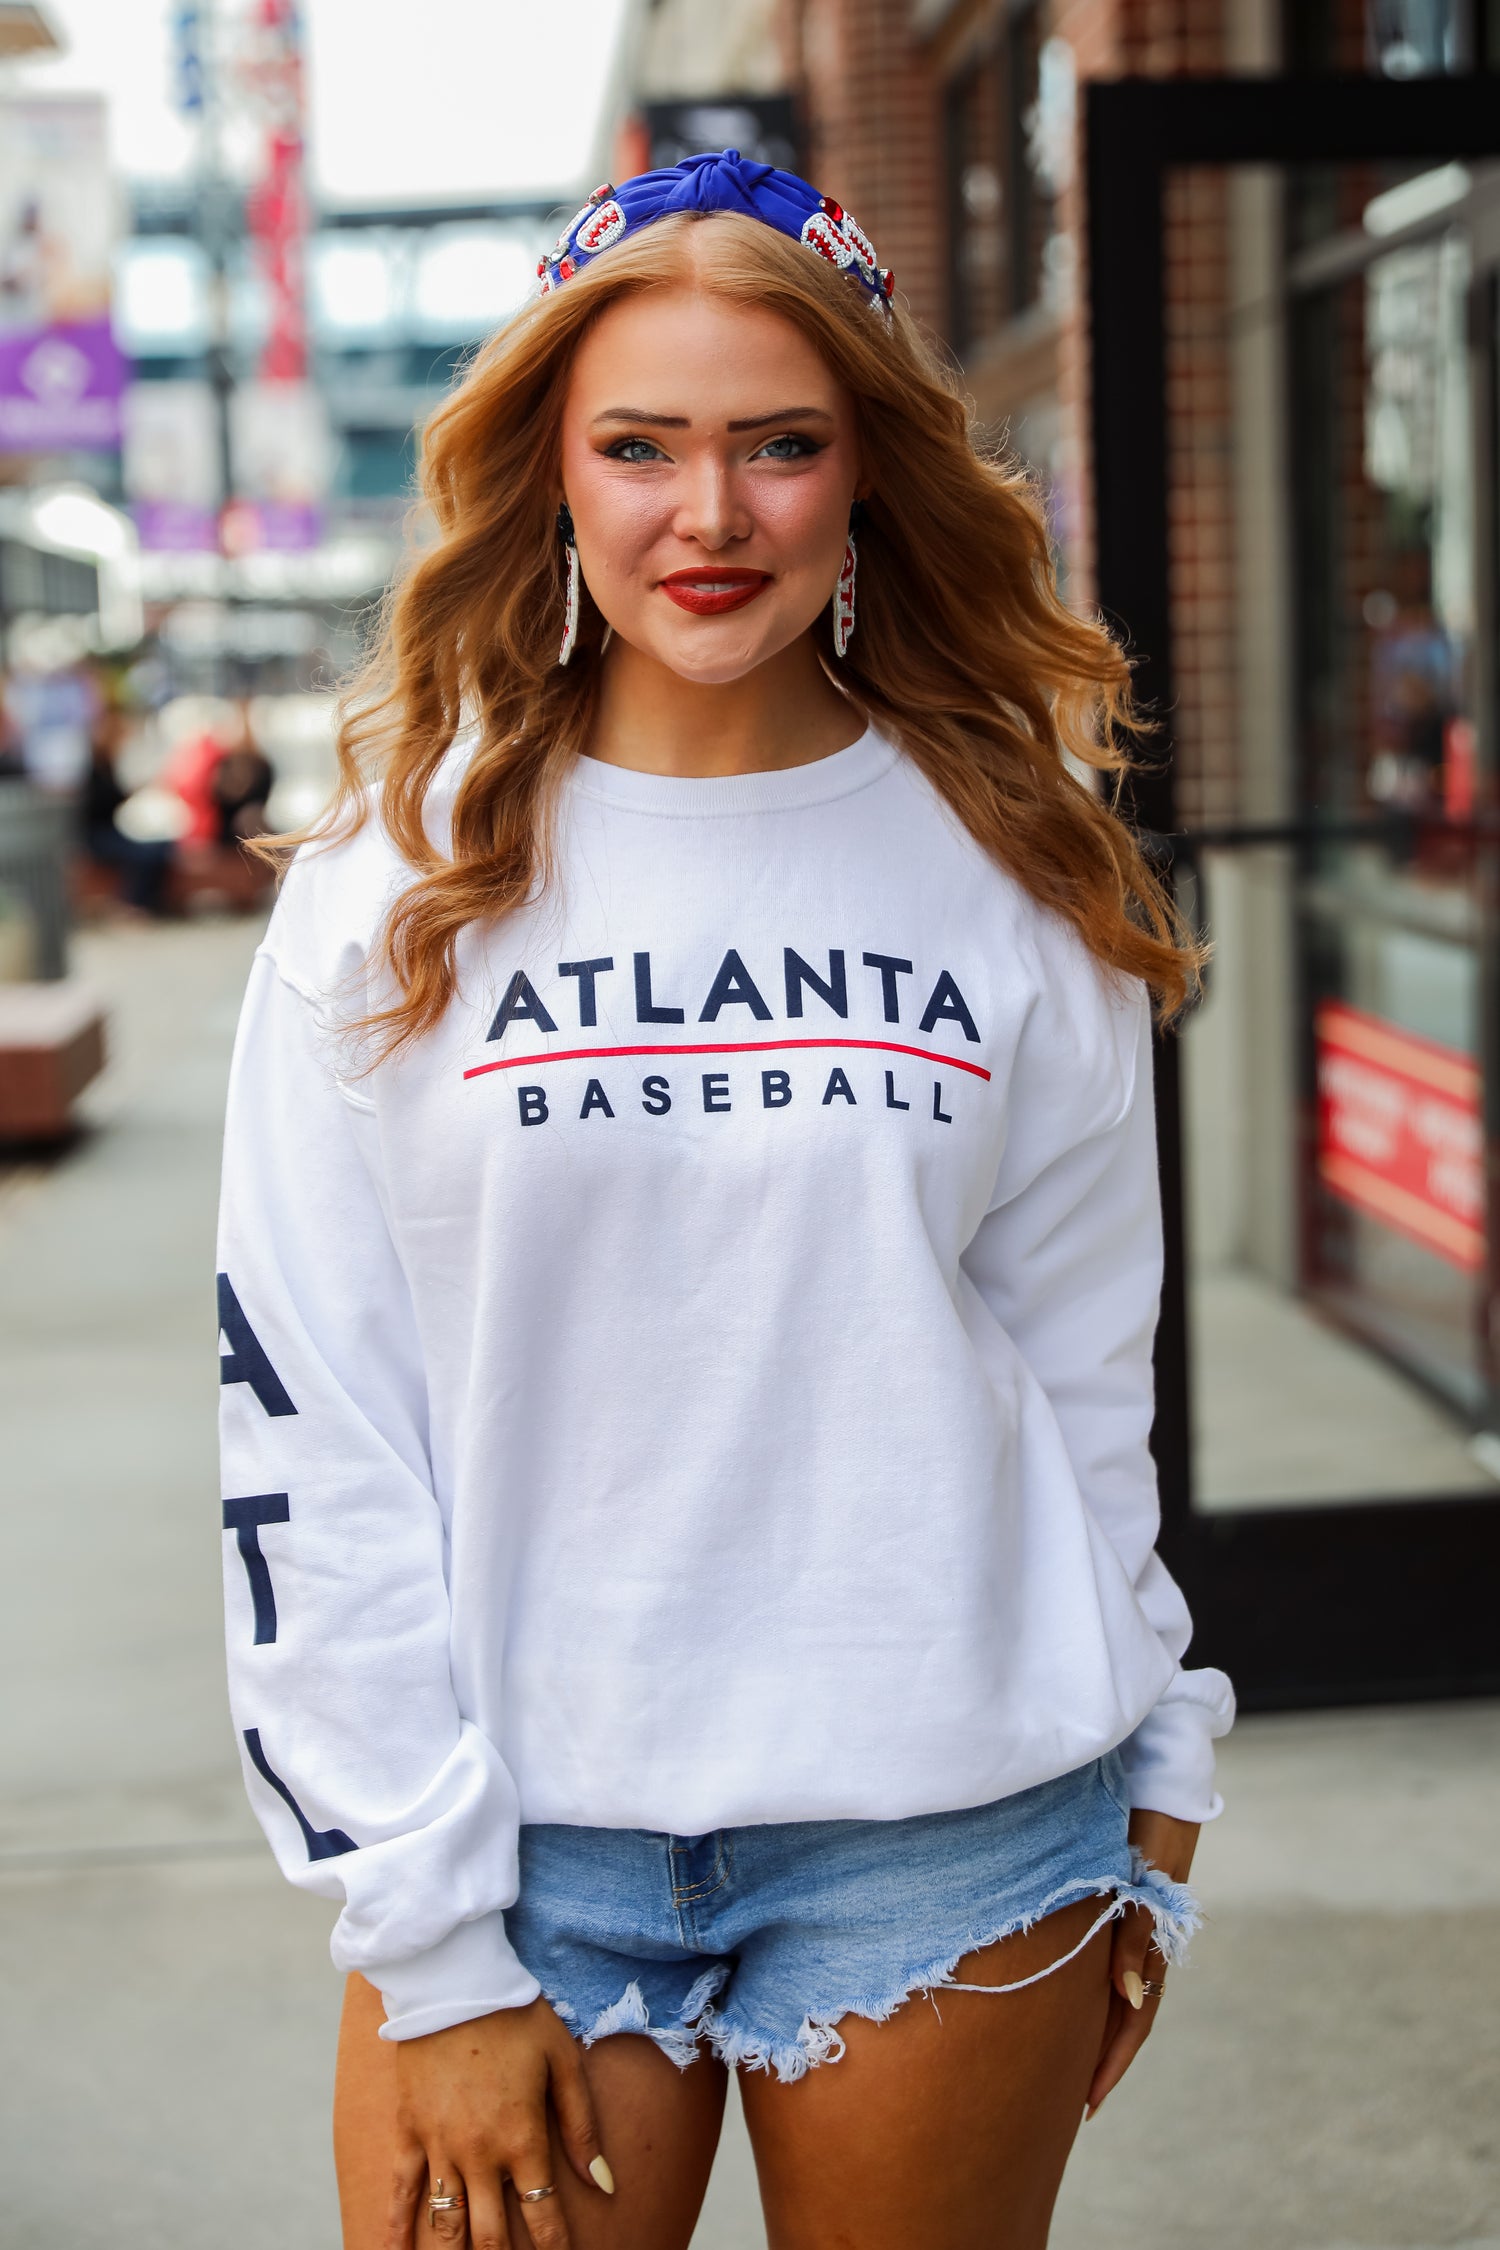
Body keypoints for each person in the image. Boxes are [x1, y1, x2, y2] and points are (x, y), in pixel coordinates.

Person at [217, 151, 1234, 2250]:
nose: (713, 515)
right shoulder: (390, 893)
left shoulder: (1013, 871)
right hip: (523, 1843)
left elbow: (1084, 1372)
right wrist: (424, 1927)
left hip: (955, 1834)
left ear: (868, 474)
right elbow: (305, 1430)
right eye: (643, 447)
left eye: (781, 445)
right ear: (553, 479)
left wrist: (1162, 1774)